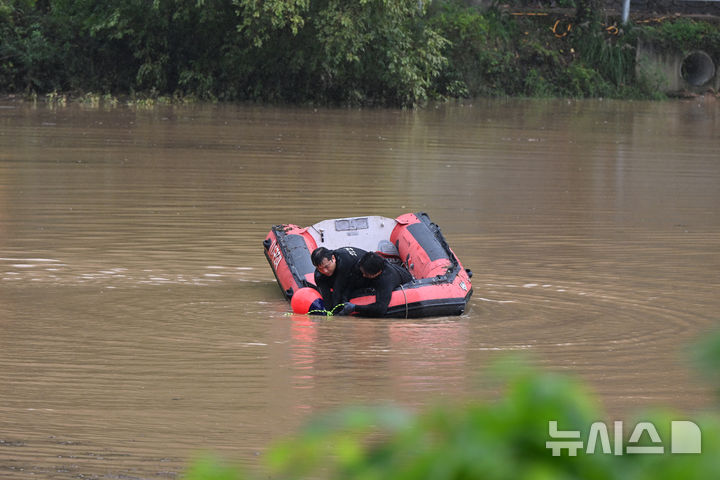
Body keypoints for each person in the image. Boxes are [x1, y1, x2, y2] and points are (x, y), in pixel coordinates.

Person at [339, 251, 413, 317]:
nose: (363, 275)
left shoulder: (385, 280)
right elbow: (351, 283)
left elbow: (380, 309)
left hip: (404, 280)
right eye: (363, 272)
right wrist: (344, 298)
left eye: (366, 274)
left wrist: (355, 307)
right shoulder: (363, 264)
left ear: (378, 272)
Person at [311, 246, 368, 311]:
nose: (325, 271)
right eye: (320, 269)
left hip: (360, 272)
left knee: (342, 295)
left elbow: (338, 290)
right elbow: (326, 297)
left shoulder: (344, 261)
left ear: (333, 258)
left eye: (326, 267)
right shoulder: (318, 275)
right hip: (346, 274)